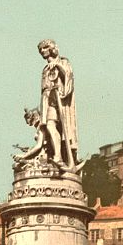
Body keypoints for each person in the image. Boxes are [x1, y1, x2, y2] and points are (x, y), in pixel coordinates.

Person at [37, 39, 78, 169]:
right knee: (49, 126)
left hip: (61, 100)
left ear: (52, 48)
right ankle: (57, 157)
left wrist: (57, 66)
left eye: (45, 48)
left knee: (58, 126)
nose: (43, 51)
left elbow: (68, 76)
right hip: (48, 100)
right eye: (41, 50)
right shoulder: (45, 69)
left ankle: (61, 157)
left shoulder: (63, 62)